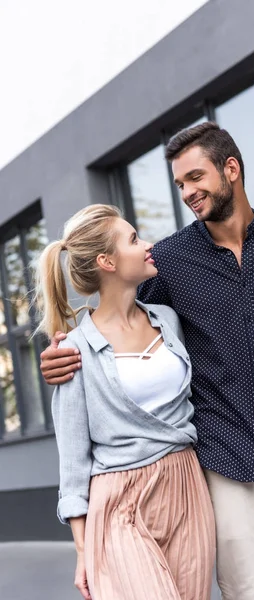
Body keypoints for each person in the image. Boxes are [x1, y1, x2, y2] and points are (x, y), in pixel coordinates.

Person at [41, 123, 254, 600]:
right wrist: (61, 356)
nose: (187, 192)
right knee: (246, 593)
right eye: (179, 184)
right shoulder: (166, 264)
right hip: (224, 453)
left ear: (231, 169)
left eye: (194, 178)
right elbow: (117, 318)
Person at [34, 204, 215, 600]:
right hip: (119, 501)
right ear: (107, 261)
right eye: (134, 239)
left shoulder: (168, 320)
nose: (147, 244)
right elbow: (73, 461)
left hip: (187, 487)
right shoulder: (74, 350)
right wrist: (83, 549)